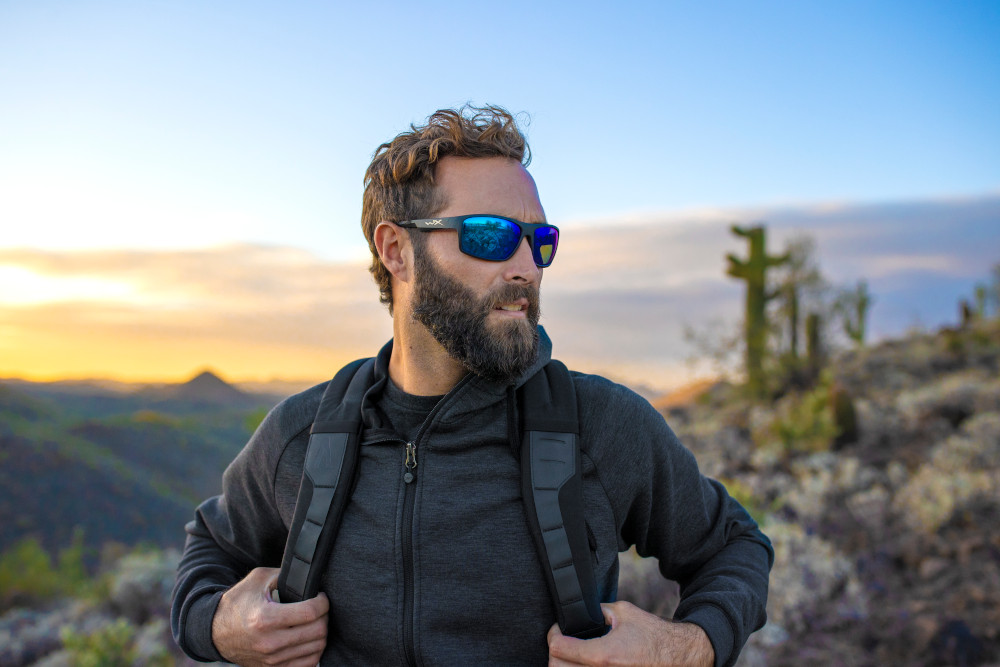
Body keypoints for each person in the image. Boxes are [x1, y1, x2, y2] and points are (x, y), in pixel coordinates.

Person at [171, 104, 772, 667]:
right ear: (396, 250)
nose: (527, 267)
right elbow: (212, 549)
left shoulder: (600, 425)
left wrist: (686, 648)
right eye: (490, 235)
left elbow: (734, 546)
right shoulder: (303, 434)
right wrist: (219, 624)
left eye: (539, 241)